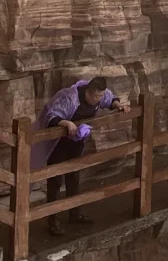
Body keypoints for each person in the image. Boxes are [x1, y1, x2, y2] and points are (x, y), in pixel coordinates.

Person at [32, 76, 127, 236]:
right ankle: (53, 219)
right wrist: (67, 123)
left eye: (101, 95)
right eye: (96, 96)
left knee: (74, 176)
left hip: (76, 142)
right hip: (58, 143)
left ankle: (74, 213)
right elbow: (52, 117)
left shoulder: (100, 96)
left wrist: (118, 105)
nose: (99, 99)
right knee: (55, 179)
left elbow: (109, 99)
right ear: (88, 93)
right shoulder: (69, 97)